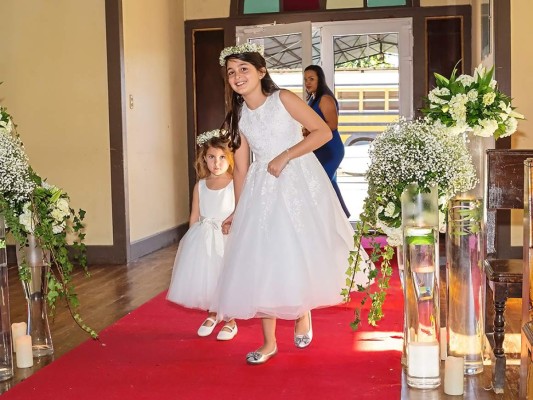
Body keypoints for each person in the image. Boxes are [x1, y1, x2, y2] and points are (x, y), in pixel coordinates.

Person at [213, 43, 371, 364]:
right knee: (263, 256)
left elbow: (322, 131)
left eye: (244, 69)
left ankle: (302, 312)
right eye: (231, 72)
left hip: (297, 178)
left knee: (297, 247)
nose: (237, 76)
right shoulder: (239, 115)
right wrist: (238, 210)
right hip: (262, 187)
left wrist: (286, 155)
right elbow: (242, 168)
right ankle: (268, 342)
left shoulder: (283, 99)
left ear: (261, 71)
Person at [167, 129, 238, 341]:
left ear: (230, 157)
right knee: (208, 279)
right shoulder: (200, 186)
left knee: (227, 278)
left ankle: (231, 320)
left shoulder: (235, 184)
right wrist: (192, 243)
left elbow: (241, 210)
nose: (217, 163)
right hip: (204, 238)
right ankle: (213, 314)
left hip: (227, 238)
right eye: (212, 157)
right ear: (204, 159)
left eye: (222, 157)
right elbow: (195, 215)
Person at [303, 65, 350, 218]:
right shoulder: (313, 99)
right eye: (305, 79)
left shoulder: (325, 99)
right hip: (319, 148)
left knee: (322, 184)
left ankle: (334, 219)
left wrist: (310, 131)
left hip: (330, 149)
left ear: (320, 80)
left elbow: (332, 125)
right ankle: (340, 218)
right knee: (329, 183)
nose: (307, 83)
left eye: (311, 79)